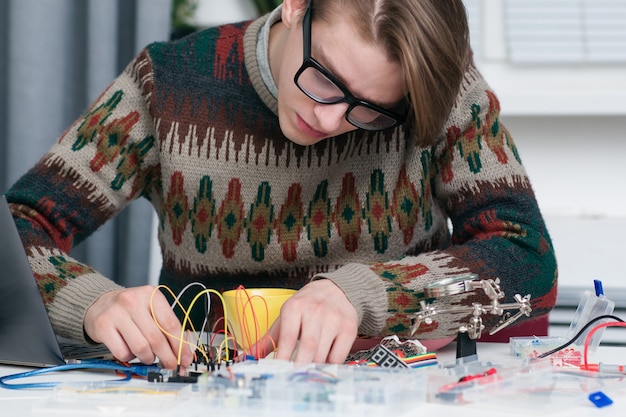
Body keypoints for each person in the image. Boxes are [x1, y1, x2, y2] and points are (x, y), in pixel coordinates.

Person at [5, 0, 557, 369]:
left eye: (372, 111)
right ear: (296, 5)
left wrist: (364, 296)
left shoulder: (439, 89)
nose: (331, 120)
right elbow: (19, 226)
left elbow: (526, 262)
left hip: (398, 391)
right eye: (324, 80)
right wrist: (89, 303)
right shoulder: (168, 84)